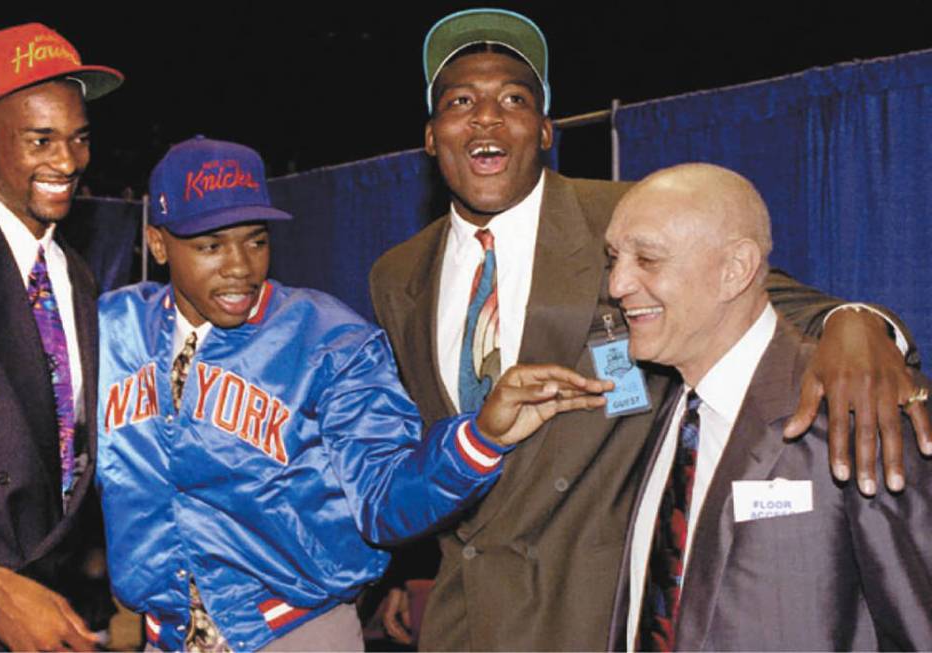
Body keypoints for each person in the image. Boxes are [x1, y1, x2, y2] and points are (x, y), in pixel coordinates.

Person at [368, 8, 931, 650]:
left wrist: (859, 324)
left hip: (588, 614)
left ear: (546, 130)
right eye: (461, 101)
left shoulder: (621, 219)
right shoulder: (398, 274)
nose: (487, 117)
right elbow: (424, 435)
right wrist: (407, 570)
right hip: (461, 623)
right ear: (431, 135)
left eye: (514, 99)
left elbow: (757, 292)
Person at [95, 135, 611, 652]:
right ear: (159, 244)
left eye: (255, 240)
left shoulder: (329, 340)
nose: (240, 266)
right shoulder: (113, 332)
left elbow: (386, 498)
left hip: (295, 631)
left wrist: (479, 439)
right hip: (166, 638)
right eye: (210, 245)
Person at [604, 163, 932, 650]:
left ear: (735, 270)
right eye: (613, 258)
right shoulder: (655, 403)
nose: (616, 285)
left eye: (647, 259)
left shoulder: (857, 410)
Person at [0, 23, 123, 652]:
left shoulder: (71, 273)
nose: (68, 162)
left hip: (49, 610)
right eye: (41, 139)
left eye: (79, 138)